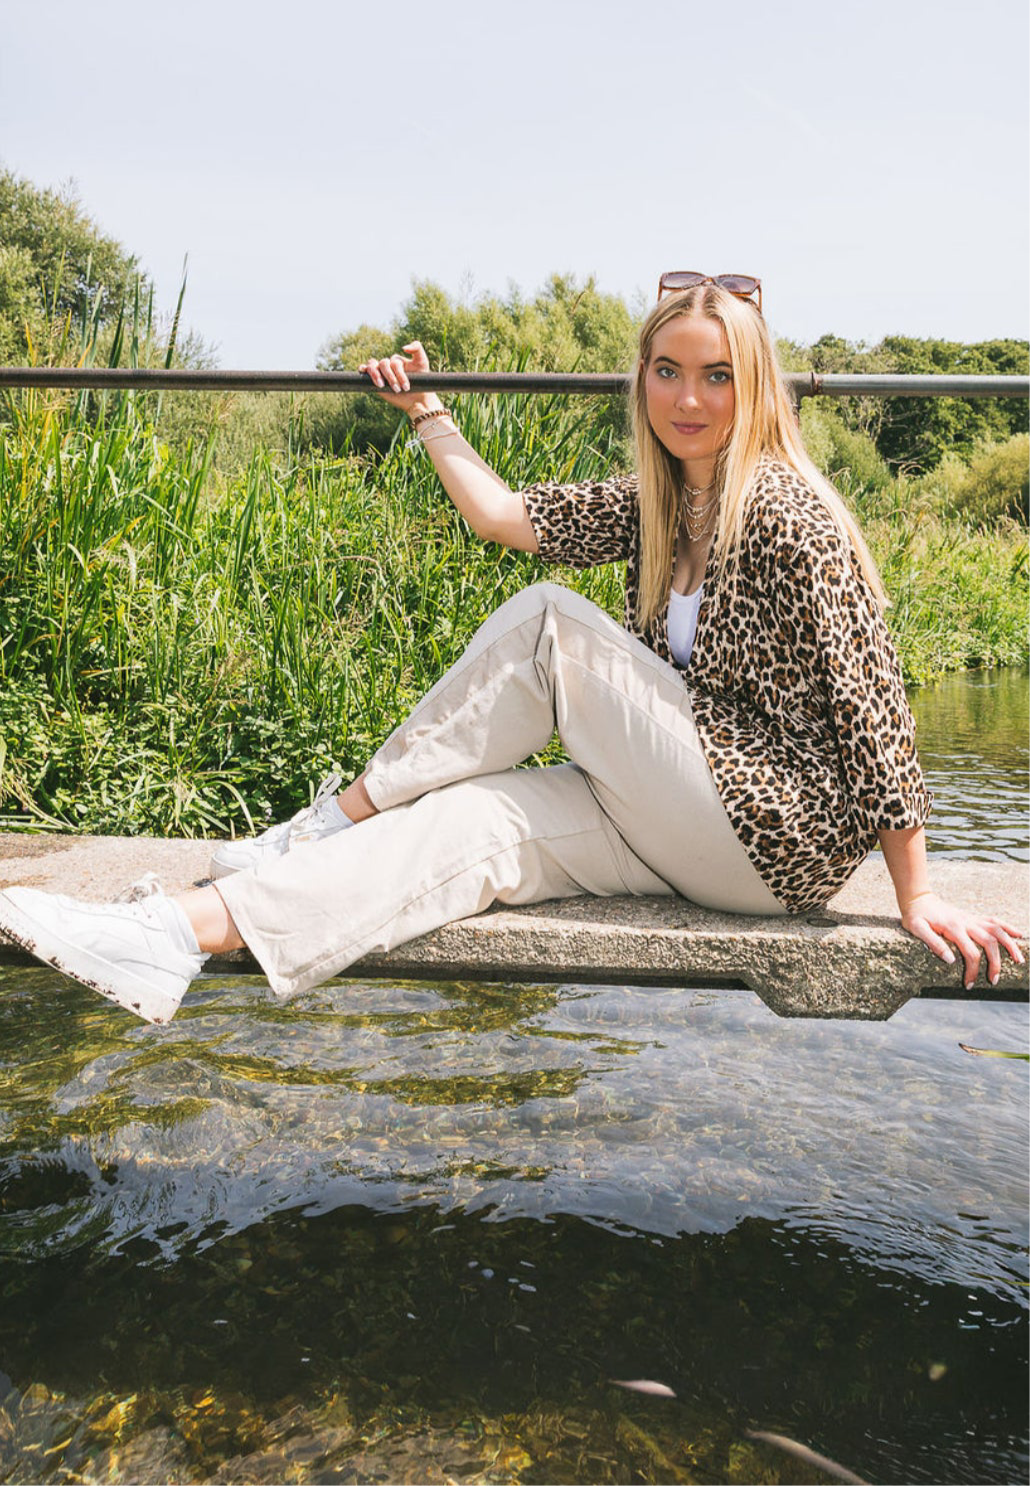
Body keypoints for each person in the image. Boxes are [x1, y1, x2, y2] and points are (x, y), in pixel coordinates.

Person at [0, 274, 1022, 1023]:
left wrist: (916, 896)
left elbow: (875, 712)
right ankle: (174, 936)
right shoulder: (662, 501)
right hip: (683, 819)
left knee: (545, 620)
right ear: (644, 380)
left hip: (774, 833)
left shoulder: (791, 513)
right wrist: (427, 412)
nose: (689, 399)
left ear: (753, 386)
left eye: (716, 376)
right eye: (667, 372)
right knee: (467, 821)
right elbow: (502, 516)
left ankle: (326, 822)